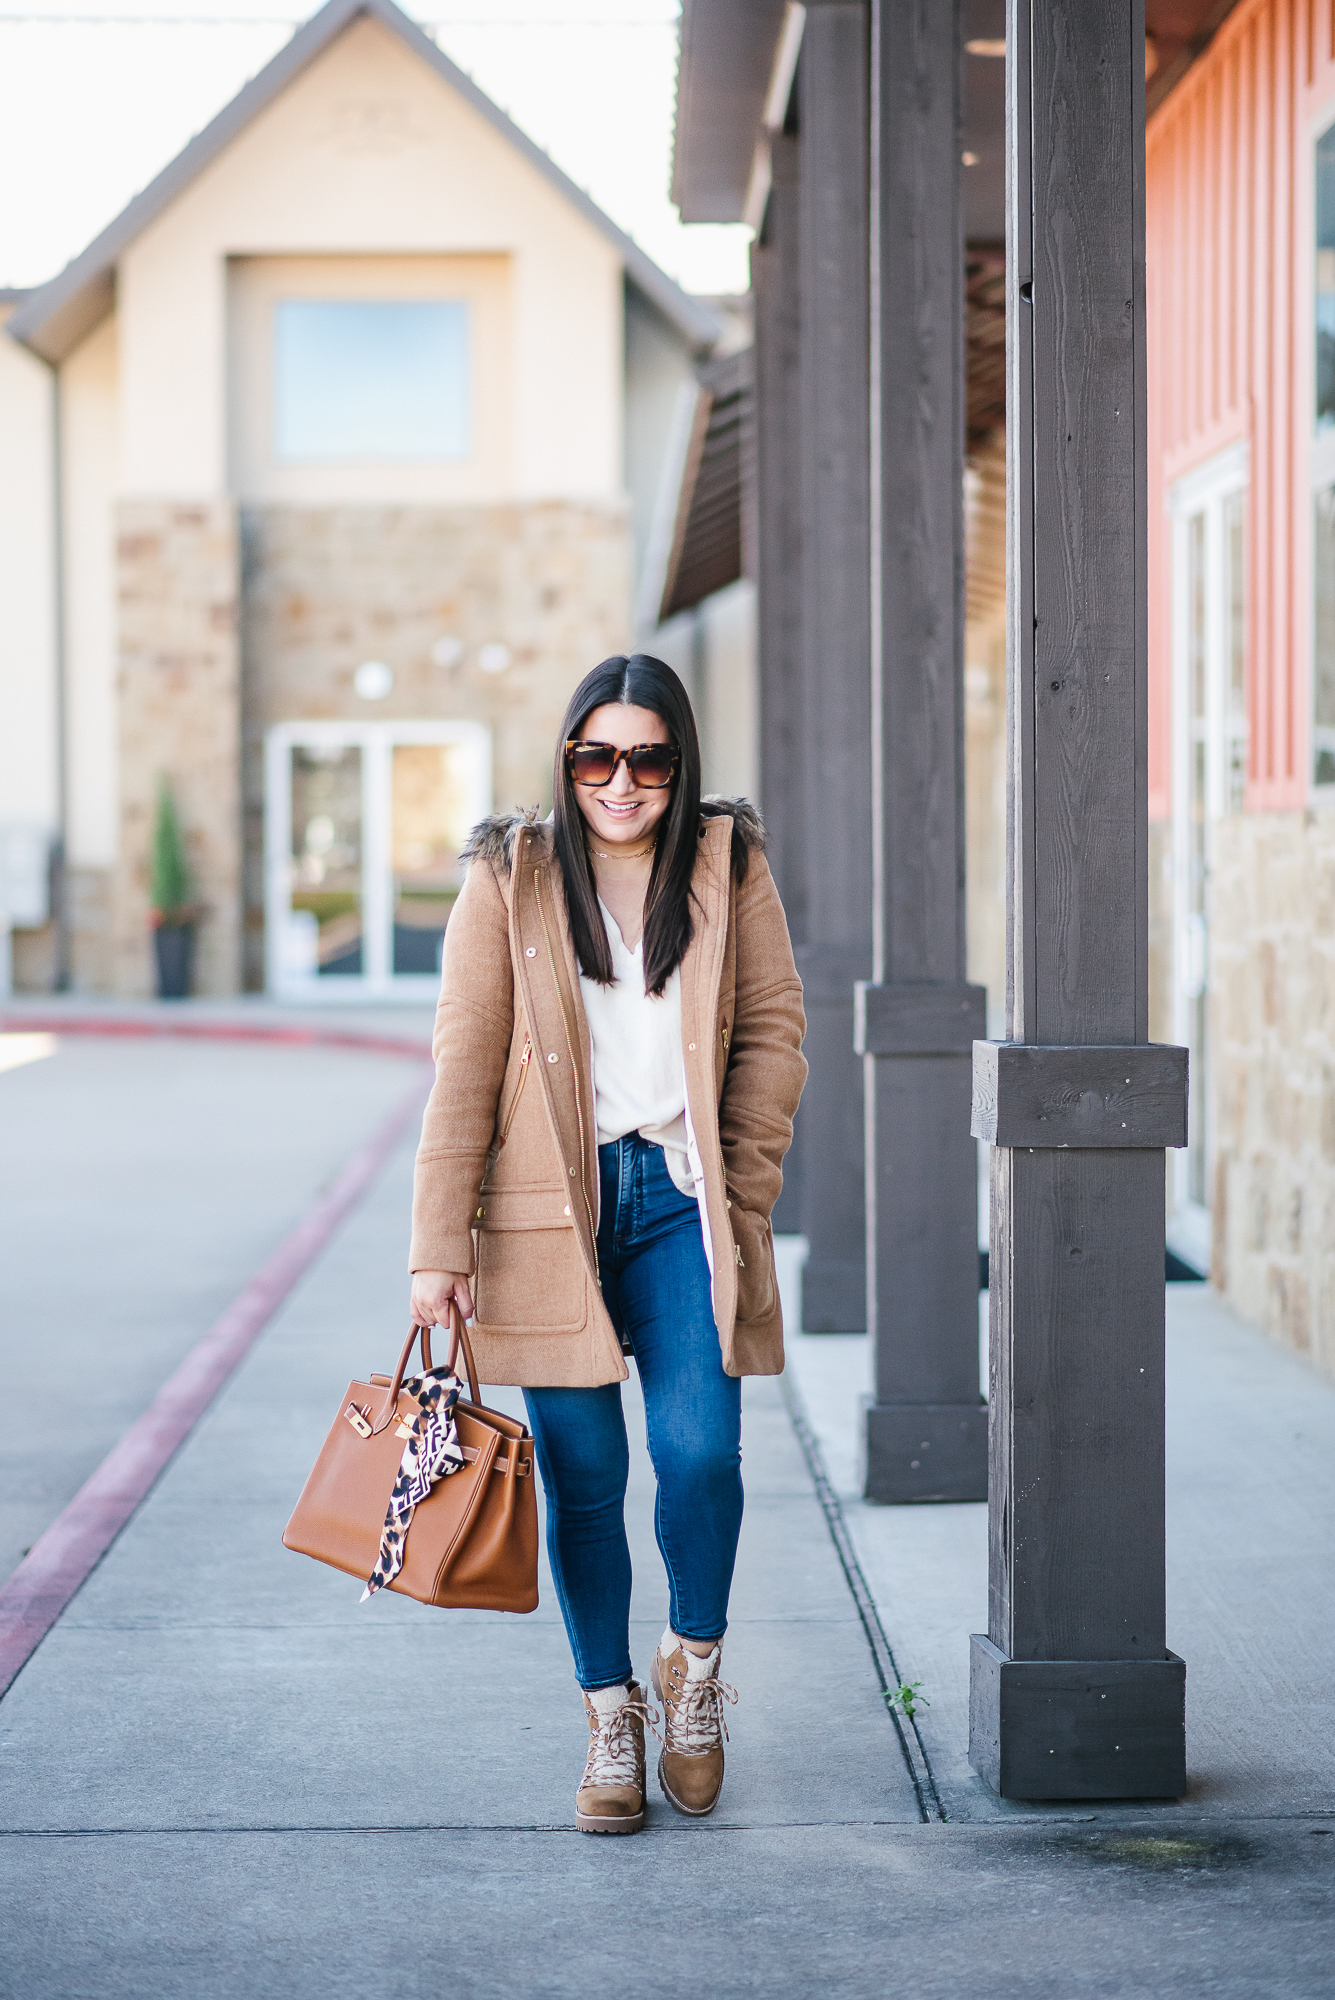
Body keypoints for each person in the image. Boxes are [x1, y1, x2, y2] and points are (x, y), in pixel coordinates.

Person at [408, 653, 806, 1835]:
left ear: (680, 764)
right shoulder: (512, 874)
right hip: (549, 1212)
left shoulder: (728, 863)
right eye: (596, 756)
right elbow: (464, 1060)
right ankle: (609, 1712)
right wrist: (438, 1244)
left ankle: (694, 1667)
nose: (620, 782)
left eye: (647, 758)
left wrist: (741, 1182)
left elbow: (775, 1029)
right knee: (584, 1481)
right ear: (567, 758)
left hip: (682, 1201)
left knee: (701, 1452)